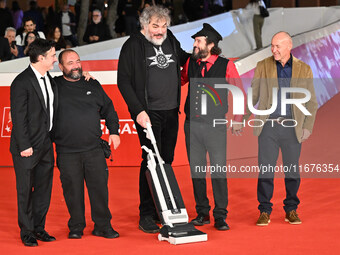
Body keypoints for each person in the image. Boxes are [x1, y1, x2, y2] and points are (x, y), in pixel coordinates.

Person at [117, 5, 188, 233]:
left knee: (166, 160)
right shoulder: (132, 45)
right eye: (155, 26)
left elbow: (184, 58)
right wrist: (138, 110)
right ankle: (146, 213)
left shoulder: (170, 39)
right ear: (145, 25)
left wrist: (204, 54)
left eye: (164, 25)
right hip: (149, 113)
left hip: (171, 111)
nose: (160, 30)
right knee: (150, 162)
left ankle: (162, 209)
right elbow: (123, 81)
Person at [243, 31, 318, 226]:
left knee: (292, 171)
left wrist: (307, 127)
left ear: (288, 46)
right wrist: (239, 118)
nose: (273, 49)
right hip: (268, 127)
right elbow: (254, 97)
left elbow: (311, 102)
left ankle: (291, 209)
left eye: (277, 46)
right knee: (266, 170)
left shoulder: (304, 69)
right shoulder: (263, 66)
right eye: (272, 46)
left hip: (292, 127)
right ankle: (264, 210)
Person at [181, 23, 244, 231]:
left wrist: (237, 118)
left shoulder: (226, 65)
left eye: (198, 41)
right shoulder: (191, 62)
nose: (194, 44)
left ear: (210, 44)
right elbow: (179, 81)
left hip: (215, 126)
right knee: (197, 171)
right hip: (192, 125)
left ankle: (220, 215)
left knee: (218, 170)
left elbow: (238, 91)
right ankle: (202, 213)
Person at [53, 49, 120, 239]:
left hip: (94, 150)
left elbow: (108, 108)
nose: (75, 66)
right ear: (60, 67)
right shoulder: (53, 85)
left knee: (99, 190)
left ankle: (103, 225)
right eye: (70, 63)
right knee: (72, 192)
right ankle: (76, 227)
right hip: (67, 151)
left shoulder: (93, 84)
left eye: (77, 61)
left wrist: (114, 131)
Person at [10, 38, 57, 247]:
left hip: (46, 145)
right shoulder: (21, 82)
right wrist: (25, 145)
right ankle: (27, 231)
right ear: (41, 58)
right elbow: (18, 118)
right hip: (27, 147)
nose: (55, 59)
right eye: (53, 56)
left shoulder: (50, 79)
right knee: (25, 190)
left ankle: (39, 228)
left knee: (43, 189)